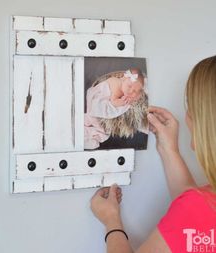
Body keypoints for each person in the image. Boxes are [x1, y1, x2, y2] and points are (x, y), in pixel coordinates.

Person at [90, 55, 216, 252]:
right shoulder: (203, 203)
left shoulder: (198, 209)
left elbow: (195, 213)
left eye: (190, 106)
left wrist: (111, 220)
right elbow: (195, 211)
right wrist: (168, 149)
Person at [84, 68, 146, 149]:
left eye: (134, 91)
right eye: (129, 86)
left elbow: (138, 95)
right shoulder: (117, 85)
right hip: (96, 99)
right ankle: (95, 130)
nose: (130, 91)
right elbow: (113, 102)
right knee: (100, 128)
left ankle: (88, 123)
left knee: (91, 120)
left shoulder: (125, 86)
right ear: (123, 79)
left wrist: (134, 96)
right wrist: (123, 102)